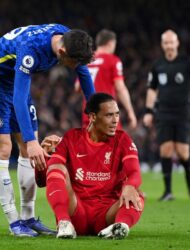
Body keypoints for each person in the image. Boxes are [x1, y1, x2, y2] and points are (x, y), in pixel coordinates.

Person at [0, 24, 95, 237]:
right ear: (62, 52)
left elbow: (84, 74)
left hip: (16, 82)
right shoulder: (31, 49)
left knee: (30, 151)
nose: (74, 67)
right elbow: (19, 99)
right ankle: (14, 222)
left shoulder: (68, 37)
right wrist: (31, 142)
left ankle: (28, 218)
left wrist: (96, 111)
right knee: (4, 147)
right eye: (73, 62)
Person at [41, 93, 144, 239]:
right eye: (109, 115)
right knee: (58, 168)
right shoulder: (72, 138)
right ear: (93, 117)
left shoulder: (123, 140)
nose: (115, 120)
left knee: (137, 193)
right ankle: (64, 223)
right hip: (77, 211)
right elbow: (46, 175)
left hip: (107, 216)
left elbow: (134, 173)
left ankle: (121, 226)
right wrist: (43, 158)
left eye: (117, 115)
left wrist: (129, 186)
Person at [143, 29, 190, 201]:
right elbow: (152, 89)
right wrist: (149, 111)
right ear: (162, 45)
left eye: (172, 42)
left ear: (177, 43)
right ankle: (168, 191)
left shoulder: (187, 63)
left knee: (183, 151)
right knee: (166, 150)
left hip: (183, 111)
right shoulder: (157, 65)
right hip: (163, 112)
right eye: (166, 42)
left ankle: (189, 178)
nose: (169, 45)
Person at [75, 29, 137, 130]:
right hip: (107, 114)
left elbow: (77, 87)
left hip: (89, 115)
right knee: (118, 145)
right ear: (111, 43)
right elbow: (120, 88)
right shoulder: (113, 61)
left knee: (92, 145)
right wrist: (130, 111)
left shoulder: (86, 61)